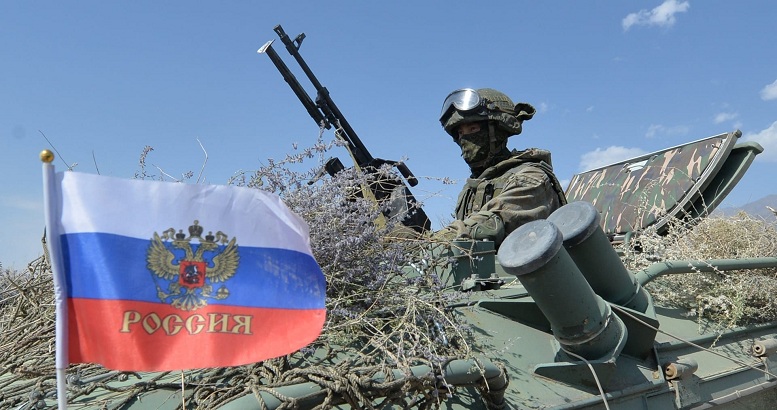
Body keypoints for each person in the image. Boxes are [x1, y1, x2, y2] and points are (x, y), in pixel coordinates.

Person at [435, 88, 567, 249]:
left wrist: (438, 238)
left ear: (497, 131)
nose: (464, 138)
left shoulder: (530, 177)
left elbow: (493, 223)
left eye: (473, 129)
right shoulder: (470, 189)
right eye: (460, 133)